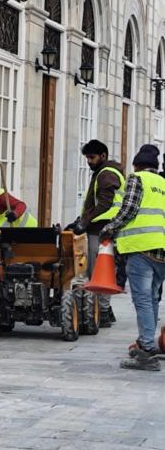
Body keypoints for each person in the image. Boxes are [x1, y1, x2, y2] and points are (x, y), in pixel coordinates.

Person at [100, 144, 165, 371]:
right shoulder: (163, 183)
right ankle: (147, 343)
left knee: (143, 300)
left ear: (136, 165)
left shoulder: (137, 179)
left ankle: (146, 352)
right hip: (162, 250)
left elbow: (128, 210)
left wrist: (109, 228)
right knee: (152, 298)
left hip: (141, 249)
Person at [64, 139, 124, 327]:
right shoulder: (105, 172)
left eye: (92, 157)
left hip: (101, 231)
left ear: (103, 156)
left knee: (99, 271)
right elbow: (96, 204)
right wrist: (80, 220)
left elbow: (105, 205)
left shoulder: (106, 175)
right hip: (104, 229)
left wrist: (84, 223)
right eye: (87, 158)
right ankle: (105, 310)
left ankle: (103, 312)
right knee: (102, 269)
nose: (89, 161)